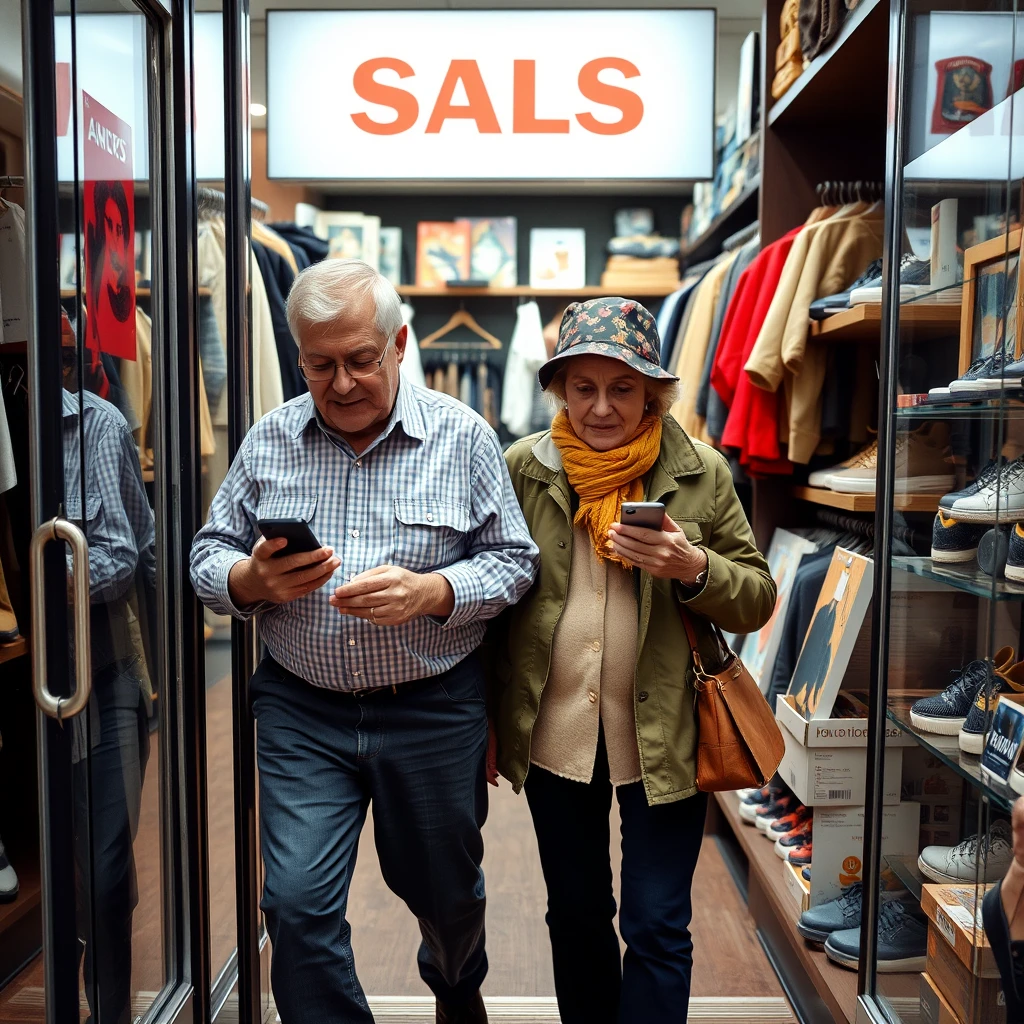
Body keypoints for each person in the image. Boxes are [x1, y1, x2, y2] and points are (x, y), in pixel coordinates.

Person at [189, 259, 539, 1024]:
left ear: (399, 344)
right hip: (301, 709)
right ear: (300, 358)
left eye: (359, 360)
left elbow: (516, 564)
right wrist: (251, 580)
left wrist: (435, 592)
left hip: (433, 708)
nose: (341, 382)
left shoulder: (465, 437)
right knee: (295, 906)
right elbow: (205, 555)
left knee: (446, 898)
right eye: (320, 365)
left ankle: (458, 993)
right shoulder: (269, 439)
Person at [488, 297, 776, 1024]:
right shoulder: (524, 466)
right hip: (558, 733)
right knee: (578, 913)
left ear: (652, 391)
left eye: (622, 388)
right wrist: (487, 719)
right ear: (559, 388)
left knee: (656, 923)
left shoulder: (700, 471)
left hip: (668, 738)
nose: (603, 407)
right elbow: (491, 601)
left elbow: (758, 598)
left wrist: (692, 566)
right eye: (583, 388)